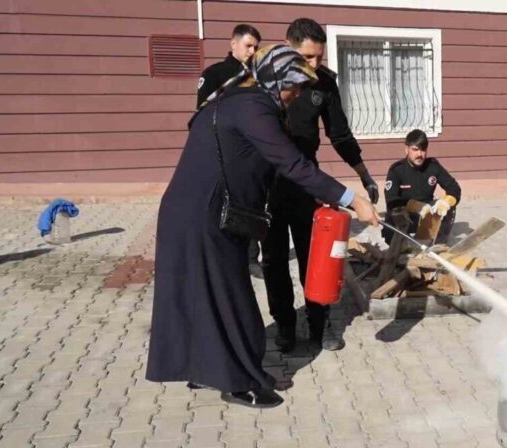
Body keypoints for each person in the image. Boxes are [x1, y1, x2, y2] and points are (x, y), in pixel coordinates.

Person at [146, 45, 378, 409]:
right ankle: (239, 382)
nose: (296, 95)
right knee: (231, 299)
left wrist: (318, 197)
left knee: (205, 296)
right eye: (293, 87)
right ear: (275, 78)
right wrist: (352, 198)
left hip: (193, 212)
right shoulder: (253, 108)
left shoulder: (237, 100)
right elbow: (292, 164)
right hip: (204, 216)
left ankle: (206, 369)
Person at [262, 18, 379, 353]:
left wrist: (364, 174)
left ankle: (320, 323)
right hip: (268, 182)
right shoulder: (266, 81)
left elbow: (340, 135)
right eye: (307, 57)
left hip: (306, 183)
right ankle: (285, 325)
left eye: (319, 57)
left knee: (315, 257)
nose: (314, 64)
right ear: (288, 47)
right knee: (273, 260)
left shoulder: (324, 84)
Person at [195, 23, 265, 278]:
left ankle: (251, 258)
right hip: (222, 153)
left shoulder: (259, 76)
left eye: (256, 47)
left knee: (252, 203)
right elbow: (202, 116)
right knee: (220, 206)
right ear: (233, 44)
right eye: (248, 45)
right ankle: (220, 258)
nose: (252, 51)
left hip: (252, 152)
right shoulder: (215, 74)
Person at [383, 129, 461, 245]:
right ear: (406, 149)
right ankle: (403, 244)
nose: (419, 154)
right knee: (394, 218)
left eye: (423, 150)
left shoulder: (433, 166)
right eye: (415, 150)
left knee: (449, 207)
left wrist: (446, 201)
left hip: (427, 216)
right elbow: (391, 200)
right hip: (406, 215)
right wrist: (416, 206)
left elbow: (454, 188)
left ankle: (439, 243)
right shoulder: (397, 170)